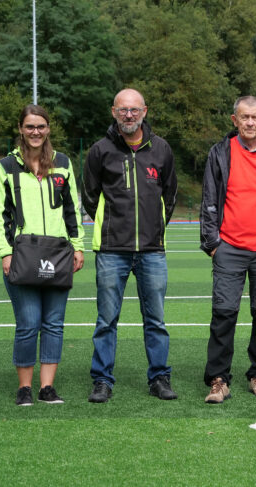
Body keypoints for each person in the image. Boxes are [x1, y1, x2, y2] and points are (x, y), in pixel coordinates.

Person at [82, 88, 178, 403]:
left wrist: (155, 229)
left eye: (134, 110)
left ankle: (160, 378)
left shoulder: (161, 149)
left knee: (156, 320)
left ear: (144, 111)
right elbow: (90, 196)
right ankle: (102, 380)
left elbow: (170, 195)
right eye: (123, 110)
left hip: (151, 250)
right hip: (111, 250)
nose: (129, 115)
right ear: (114, 112)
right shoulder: (100, 151)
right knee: (106, 320)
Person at [199, 96, 256, 404]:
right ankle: (218, 379)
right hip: (230, 248)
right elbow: (210, 199)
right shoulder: (220, 153)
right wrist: (213, 245)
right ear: (234, 120)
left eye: (255, 117)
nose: (250, 122)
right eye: (244, 117)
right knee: (223, 314)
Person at [0, 104, 84, 405]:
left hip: (57, 254)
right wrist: (5, 252)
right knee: (29, 322)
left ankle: (47, 388)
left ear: (48, 129)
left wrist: (78, 244)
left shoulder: (63, 163)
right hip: (21, 255)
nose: (36, 132)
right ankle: (24, 388)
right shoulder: (5, 166)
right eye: (30, 126)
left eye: (41, 126)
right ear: (20, 129)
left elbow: (73, 208)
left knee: (54, 323)